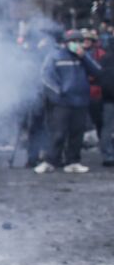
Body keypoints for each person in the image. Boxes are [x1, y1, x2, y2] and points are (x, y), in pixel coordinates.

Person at [35, 28, 101, 174]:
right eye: (73, 41)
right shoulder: (55, 56)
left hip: (81, 101)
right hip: (62, 102)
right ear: (66, 43)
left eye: (79, 41)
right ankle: (50, 161)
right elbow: (47, 77)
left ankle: (73, 161)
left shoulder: (84, 57)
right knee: (58, 133)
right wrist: (58, 93)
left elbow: (97, 72)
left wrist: (84, 57)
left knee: (77, 133)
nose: (76, 44)